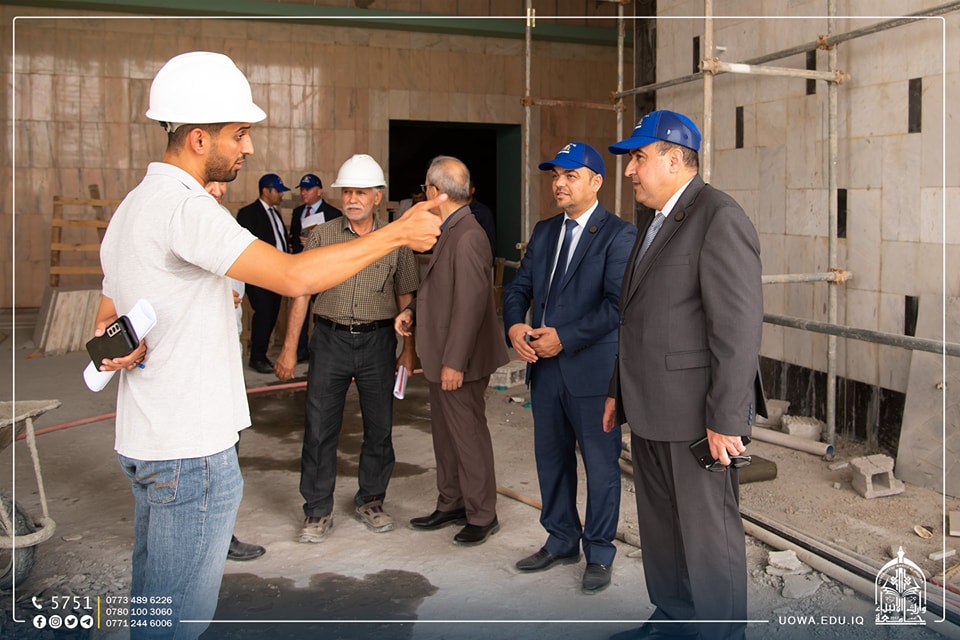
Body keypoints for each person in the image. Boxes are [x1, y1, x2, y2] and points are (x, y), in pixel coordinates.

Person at [93, 50, 442, 640]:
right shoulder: (186, 208)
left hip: (148, 439)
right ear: (199, 138)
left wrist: (120, 348)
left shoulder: (134, 206)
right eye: (239, 134)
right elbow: (293, 276)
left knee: (154, 607)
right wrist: (398, 233)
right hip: (190, 451)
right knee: (176, 623)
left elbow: (106, 324)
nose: (249, 148)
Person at [602, 110, 765, 640]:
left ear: (675, 159)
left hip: (697, 416)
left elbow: (737, 330)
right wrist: (618, 391)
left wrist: (727, 419)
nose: (630, 170)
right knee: (661, 528)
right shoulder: (653, 220)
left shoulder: (719, 217)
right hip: (650, 407)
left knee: (708, 536)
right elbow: (636, 317)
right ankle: (674, 618)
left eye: (639, 158)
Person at [502, 142, 636, 594]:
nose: (559, 183)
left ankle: (599, 551)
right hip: (544, 369)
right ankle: (561, 539)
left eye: (570, 175)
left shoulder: (619, 235)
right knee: (552, 460)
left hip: (592, 373)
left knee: (600, 466)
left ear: (596, 182)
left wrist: (565, 336)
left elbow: (617, 306)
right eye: (555, 175)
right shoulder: (544, 232)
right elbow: (518, 287)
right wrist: (515, 326)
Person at [274, 154, 419, 543]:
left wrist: (408, 351)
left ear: (377, 197)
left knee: (379, 427)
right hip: (329, 340)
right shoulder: (322, 236)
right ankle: (317, 509)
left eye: (361, 192)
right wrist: (289, 349)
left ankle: (371, 500)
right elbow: (301, 292)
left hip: (378, 342)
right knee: (319, 427)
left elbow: (406, 297)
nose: (353, 199)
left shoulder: (396, 240)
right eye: (348, 192)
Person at [396, 156, 508, 546]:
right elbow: (441, 289)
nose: (423, 194)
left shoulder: (468, 235)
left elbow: (471, 305)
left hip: (460, 360)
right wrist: (413, 311)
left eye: (425, 188)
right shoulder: (450, 229)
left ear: (436, 192)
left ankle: (482, 514)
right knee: (446, 436)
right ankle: (452, 502)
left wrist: (455, 362)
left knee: (467, 435)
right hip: (442, 353)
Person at [205, 181, 267, 563]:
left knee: (228, 449)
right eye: (207, 182)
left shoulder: (225, 223)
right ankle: (210, 540)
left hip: (225, 356)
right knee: (205, 458)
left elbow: (237, 289)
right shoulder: (179, 221)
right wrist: (210, 296)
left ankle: (219, 534)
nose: (216, 190)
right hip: (195, 364)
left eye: (220, 184)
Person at [236, 173, 291, 374]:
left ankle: (262, 354)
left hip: (278, 274)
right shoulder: (248, 213)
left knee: (272, 313)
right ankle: (257, 357)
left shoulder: (275, 213)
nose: (281, 195)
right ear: (266, 191)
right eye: (278, 191)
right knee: (264, 314)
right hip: (259, 275)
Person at [289, 173, 343, 362]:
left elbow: (339, 243)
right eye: (302, 189)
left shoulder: (333, 214)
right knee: (299, 310)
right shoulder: (297, 212)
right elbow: (293, 238)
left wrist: (317, 243)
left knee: (323, 312)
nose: (304, 193)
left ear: (319, 191)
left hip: (323, 270)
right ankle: (300, 350)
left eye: (308, 189)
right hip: (302, 269)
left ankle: (323, 351)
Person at [468, 180, 496, 261]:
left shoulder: (483, 212)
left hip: (477, 261)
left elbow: (490, 241)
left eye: (466, 188)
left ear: (472, 190)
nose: (463, 191)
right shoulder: (454, 211)